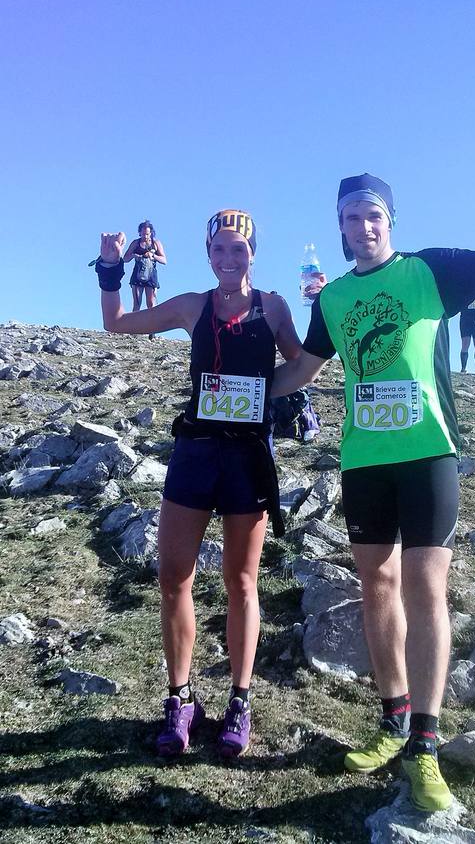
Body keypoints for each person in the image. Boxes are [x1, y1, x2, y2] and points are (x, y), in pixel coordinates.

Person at [270, 144, 475, 812]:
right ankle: (391, 720)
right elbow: (302, 373)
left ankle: (426, 745)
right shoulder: (335, 296)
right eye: (351, 216)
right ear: (341, 227)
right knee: (375, 586)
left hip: (428, 452)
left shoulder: (427, 270)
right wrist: (238, 389)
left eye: (372, 213)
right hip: (363, 460)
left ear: (389, 220)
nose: (363, 225)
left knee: (424, 588)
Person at [92, 209, 302, 759]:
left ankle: (239, 701)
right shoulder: (193, 305)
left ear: (254, 252)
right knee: (173, 578)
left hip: (248, 458)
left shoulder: (273, 306)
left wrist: (269, 394)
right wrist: (111, 270)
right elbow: (116, 324)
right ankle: (181, 699)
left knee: (242, 583)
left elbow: (304, 364)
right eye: (220, 250)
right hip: (195, 454)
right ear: (208, 254)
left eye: (239, 249)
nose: (229, 259)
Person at [123, 220, 167, 312]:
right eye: (143, 234)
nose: (145, 236)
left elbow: (164, 260)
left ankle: (152, 325)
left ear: (151, 233)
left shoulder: (156, 243)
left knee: (151, 303)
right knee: (137, 303)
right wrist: (134, 255)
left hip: (151, 275)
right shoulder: (135, 243)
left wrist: (153, 256)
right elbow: (125, 259)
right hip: (138, 274)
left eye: (147, 234)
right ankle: (134, 326)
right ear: (139, 233)